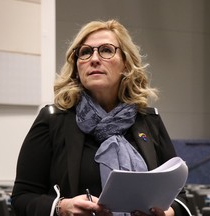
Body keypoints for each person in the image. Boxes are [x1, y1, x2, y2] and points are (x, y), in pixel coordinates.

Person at [11, 19, 190, 216]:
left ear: (125, 64)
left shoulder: (149, 121)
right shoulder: (53, 120)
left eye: (106, 50)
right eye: (85, 52)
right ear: (77, 67)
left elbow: (180, 198)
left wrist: (168, 213)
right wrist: (61, 208)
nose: (94, 59)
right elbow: (22, 198)